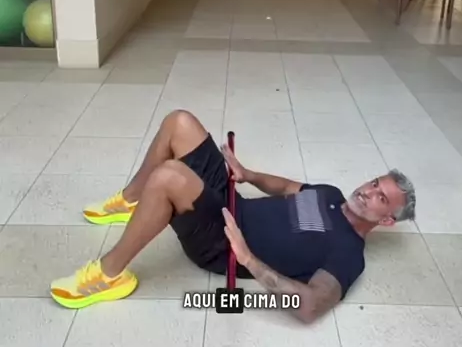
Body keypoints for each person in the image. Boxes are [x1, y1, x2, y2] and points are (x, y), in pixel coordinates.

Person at [50, 109, 416, 323]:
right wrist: (248, 174)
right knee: (180, 122)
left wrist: (248, 259)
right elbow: (286, 186)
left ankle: (107, 275)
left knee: (168, 177)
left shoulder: (348, 254)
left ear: (386, 221)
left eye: (380, 198)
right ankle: (134, 201)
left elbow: (310, 306)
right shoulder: (331, 195)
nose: (367, 191)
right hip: (232, 204)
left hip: (221, 242)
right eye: (373, 183)